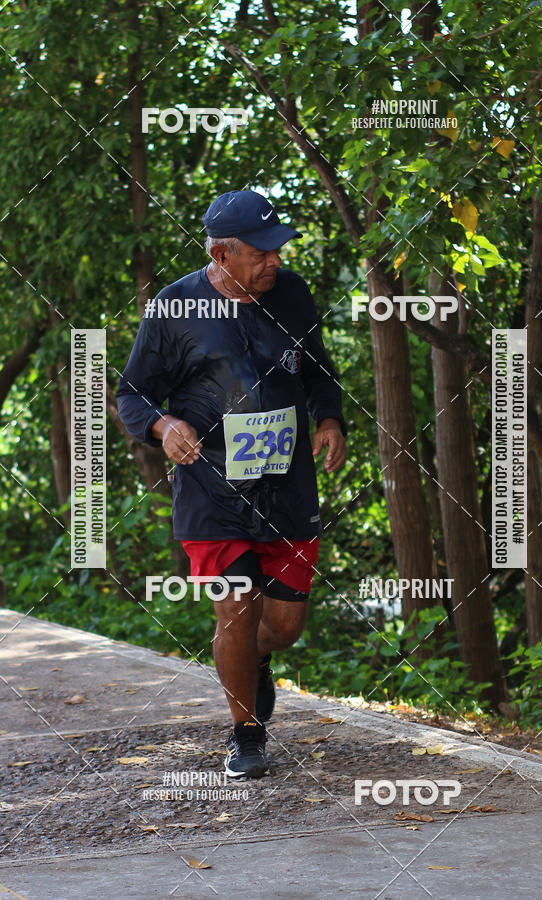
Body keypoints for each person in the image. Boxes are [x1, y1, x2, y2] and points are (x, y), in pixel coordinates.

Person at [117, 189, 346, 778]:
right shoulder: (174, 308)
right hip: (211, 488)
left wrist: (328, 419)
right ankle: (246, 733)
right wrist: (162, 424)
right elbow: (132, 395)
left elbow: (319, 370)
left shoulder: (291, 294)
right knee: (236, 611)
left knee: (284, 627)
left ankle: (252, 664)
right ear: (220, 253)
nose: (275, 260)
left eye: (277, 249)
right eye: (261, 252)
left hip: (287, 487)